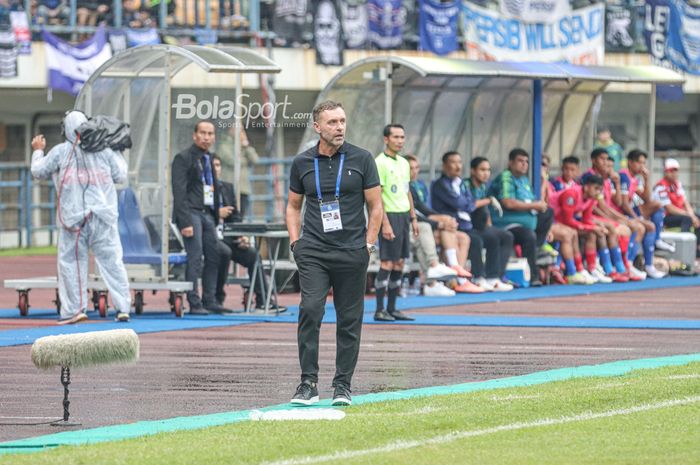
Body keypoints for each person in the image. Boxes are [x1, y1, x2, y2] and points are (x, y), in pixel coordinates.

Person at [286, 100, 383, 407]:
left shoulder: (362, 158)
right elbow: (292, 206)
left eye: (342, 121)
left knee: (349, 319)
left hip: (352, 250)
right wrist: (295, 242)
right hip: (313, 250)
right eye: (332, 123)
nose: (340, 127)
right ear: (317, 127)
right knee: (311, 310)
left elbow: (376, 206)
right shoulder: (302, 162)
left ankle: (343, 385)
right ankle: (308, 383)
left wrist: (368, 244)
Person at [30, 110, 131, 324]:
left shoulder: (60, 152)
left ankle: (75, 310)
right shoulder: (105, 151)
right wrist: (117, 149)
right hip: (103, 217)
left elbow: (38, 171)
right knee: (112, 262)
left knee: (71, 263)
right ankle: (123, 308)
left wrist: (38, 151)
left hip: (73, 220)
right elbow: (121, 175)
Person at [171, 120, 232, 315]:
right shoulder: (183, 158)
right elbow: (179, 192)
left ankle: (210, 300)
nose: (206, 137)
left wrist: (215, 216)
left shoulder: (210, 158)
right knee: (195, 257)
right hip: (191, 213)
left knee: (214, 256)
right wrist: (185, 221)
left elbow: (213, 190)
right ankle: (194, 302)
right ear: (194, 135)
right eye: (203, 133)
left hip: (208, 215)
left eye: (210, 134)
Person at [211, 155, 286, 312]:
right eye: (213, 165)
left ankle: (263, 300)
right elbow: (199, 214)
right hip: (209, 237)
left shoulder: (228, 188)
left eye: (218, 165)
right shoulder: (200, 190)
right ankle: (216, 299)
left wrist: (241, 235)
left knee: (253, 254)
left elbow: (236, 217)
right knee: (224, 252)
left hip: (228, 237)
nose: (216, 168)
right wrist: (217, 213)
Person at [431, 151, 508, 293]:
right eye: (453, 162)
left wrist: (469, 203)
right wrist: (472, 202)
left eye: (459, 162)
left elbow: (469, 203)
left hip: (466, 226)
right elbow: (463, 204)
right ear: (444, 166)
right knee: (476, 240)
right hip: (453, 226)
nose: (457, 166)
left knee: (497, 237)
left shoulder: (460, 184)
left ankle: (492, 278)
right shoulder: (440, 184)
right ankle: (475, 278)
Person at [487, 148, 554, 287]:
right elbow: (508, 202)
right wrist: (533, 206)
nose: (524, 164)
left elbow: (534, 202)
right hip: (506, 223)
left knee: (547, 212)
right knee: (528, 235)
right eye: (520, 161)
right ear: (510, 163)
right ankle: (533, 275)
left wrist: (543, 182)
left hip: (525, 223)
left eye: (526, 161)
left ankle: (538, 247)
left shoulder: (524, 180)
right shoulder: (506, 177)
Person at [373, 124, 420, 322]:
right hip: (389, 215)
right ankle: (379, 309)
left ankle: (393, 308)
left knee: (400, 262)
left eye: (402, 137)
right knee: (387, 262)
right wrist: (385, 223)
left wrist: (413, 217)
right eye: (396, 137)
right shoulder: (379, 162)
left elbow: (406, 190)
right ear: (386, 139)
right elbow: (378, 196)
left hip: (403, 216)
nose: (400, 141)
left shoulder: (403, 163)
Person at [405, 154, 467, 283]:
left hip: (420, 227)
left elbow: (423, 210)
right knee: (441, 231)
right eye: (410, 168)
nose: (414, 171)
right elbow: (412, 216)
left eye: (417, 168)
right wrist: (439, 224)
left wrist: (445, 219)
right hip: (408, 228)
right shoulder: (402, 187)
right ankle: (455, 278)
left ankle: (457, 275)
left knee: (463, 237)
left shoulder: (415, 186)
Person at [587, 148, 645, 280]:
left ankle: (624, 265)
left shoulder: (607, 181)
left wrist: (617, 183)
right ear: (594, 161)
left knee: (633, 227)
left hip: (604, 216)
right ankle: (614, 266)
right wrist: (618, 219)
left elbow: (616, 202)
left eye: (609, 162)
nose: (607, 165)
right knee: (621, 228)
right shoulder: (591, 178)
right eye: (604, 160)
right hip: (592, 217)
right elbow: (599, 206)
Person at [465, 156, 514, 291]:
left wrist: (490, 224)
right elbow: (470, 206)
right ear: (473, 171)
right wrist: (489, 200)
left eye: (488, 170)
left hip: (481, 225)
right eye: (482, 170)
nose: (486, 173)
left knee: (506, 236)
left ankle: (494, 277)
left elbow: (485, 209)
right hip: (467, 226)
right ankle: (478, 277)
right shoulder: (466, 185)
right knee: (482, 239)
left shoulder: (483, 187)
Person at [625, 149, 675, 253]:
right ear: (630, 162)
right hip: (623, 214)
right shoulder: (624, 176)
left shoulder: (636, 179)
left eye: (644, 163)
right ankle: (629, 262)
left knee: (657, 207)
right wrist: (637, 218)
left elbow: (645, 199)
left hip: (634, 210)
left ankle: (656, 242)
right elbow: (623, 203)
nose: (642, 166)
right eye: (639, 162)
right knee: (646, 225)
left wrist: (646, 179)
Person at [654, 158, 700, 257]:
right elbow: (669, 209)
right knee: (687, 219)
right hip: (664, 217)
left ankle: (696, 249)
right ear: (666, 172)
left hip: (678, 214)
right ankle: (684, 250)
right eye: (671, 171)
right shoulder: (661, 187)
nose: (674, 173)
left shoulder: (677, 184)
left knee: (698, 217)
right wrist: (689, 215)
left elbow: (685, 202)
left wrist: (693, 215)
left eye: (676, 171)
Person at [217, 127, 259, 219]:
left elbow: (255, 160)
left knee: (241, 216)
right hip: (229, 186)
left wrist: (246, 145)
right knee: (230, 215)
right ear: (230, 130)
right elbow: (232, 161)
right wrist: (245, 160)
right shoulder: (224, 145)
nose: (240, 133)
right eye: (237, 130)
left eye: (242, 130)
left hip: (243, 187)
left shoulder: (243, 146)